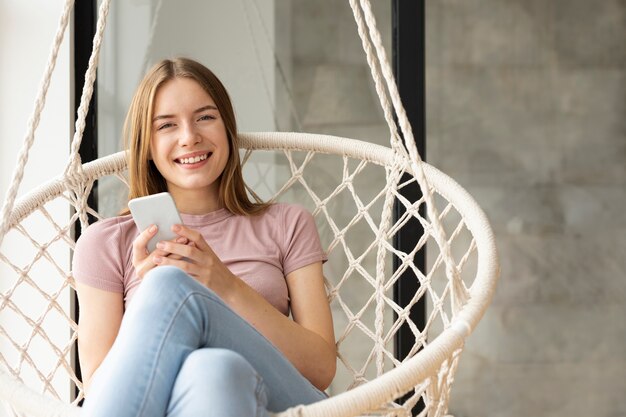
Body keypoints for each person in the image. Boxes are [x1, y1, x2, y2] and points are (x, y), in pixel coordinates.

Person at [72, 57, 336, 417]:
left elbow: (320, 370)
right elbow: (99, 388)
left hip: (288, 405)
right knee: (214, 370)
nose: (189, 137)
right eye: (166, 125)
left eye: (205, 117)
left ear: (227, 127)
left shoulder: (287, 224)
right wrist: (153, 307)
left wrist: (223, 284)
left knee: (168, 285)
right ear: (146, 145)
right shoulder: (106, 244)